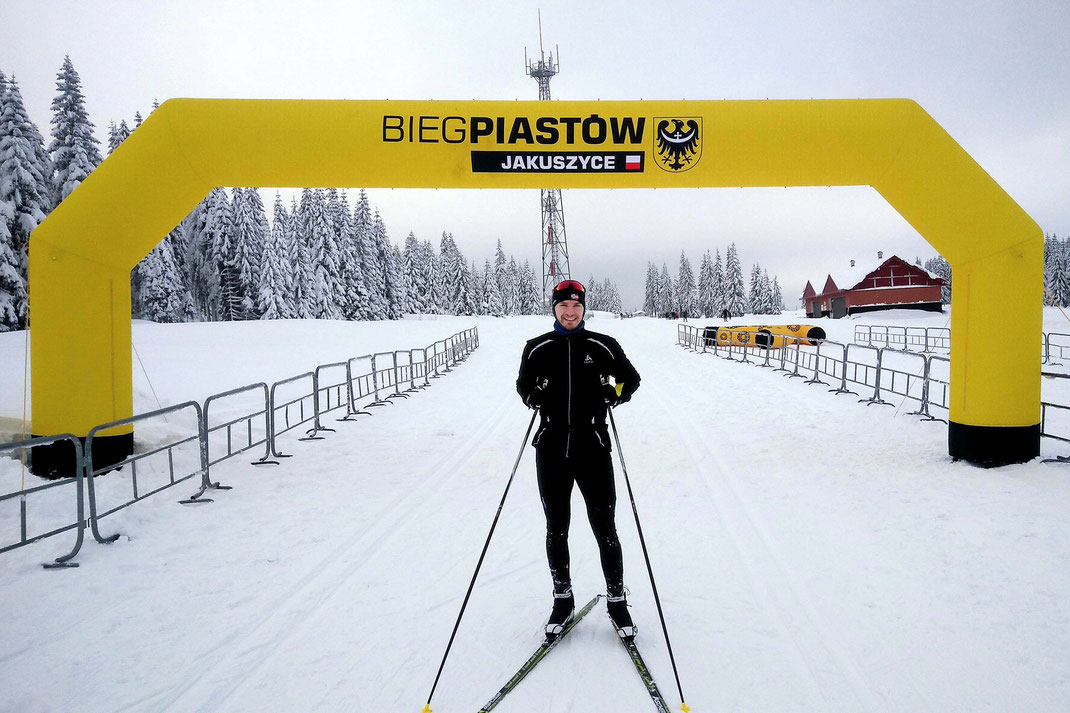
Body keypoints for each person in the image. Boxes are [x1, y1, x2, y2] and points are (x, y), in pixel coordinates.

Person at [516, 279, 642, 640]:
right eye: (563, 307)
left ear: (583, 309)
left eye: (576, 308)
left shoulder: (602, 345)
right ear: (554, 309)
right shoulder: (537, 348)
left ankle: (617, 603)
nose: (570, 313)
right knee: (556, 528)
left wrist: (613, 394)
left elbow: (631, 380)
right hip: (552, 448)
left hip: (592, 447)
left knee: (606, 529)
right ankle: (563, 599)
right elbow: (523, 386)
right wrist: (533, 396)